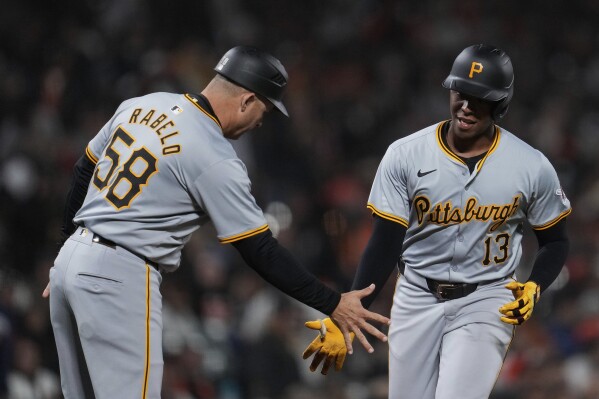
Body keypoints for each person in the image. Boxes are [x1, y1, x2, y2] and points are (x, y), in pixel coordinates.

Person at [43, 45, 390, 399]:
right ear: (246, 100)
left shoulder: (142, 103)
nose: (260, 121)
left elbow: (84, 168)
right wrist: (333, 302)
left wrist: (67, 250)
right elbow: (260, 250)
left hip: (71, 261)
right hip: (120, 277)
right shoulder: (214, 154)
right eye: (264, 110)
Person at [302, 44, 571, 398]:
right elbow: (385, 242)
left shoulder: (530, 165)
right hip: (416, 294)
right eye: (461, 92)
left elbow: (556, 240)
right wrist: (352, 311)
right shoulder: (406, 154)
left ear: (501, 102)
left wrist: (536, 284)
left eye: (480, 97)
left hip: (487, 298)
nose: (466, 105)